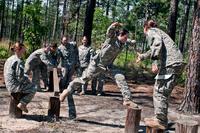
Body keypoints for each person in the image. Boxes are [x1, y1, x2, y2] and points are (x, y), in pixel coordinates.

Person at [60, 22, 138, 109]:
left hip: (107, 67)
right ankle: (67, 90)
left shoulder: (122, 42)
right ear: (120, 35)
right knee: (84, 79)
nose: (126, 39)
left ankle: (127, 100)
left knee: (120, 77)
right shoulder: (112, 39)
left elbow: (130, 41)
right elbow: (110, 31)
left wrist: (134, 44)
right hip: (96, 65)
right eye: (125, 37)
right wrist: (114, 25)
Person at [136, 20, 184, 129]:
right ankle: (160, 118)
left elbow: (156, 44)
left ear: (145, 28)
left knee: (159, 91)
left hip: (170, 64)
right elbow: (154, 48)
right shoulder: (159, 32)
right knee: (162, 92)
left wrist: (154, 62)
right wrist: (142, 56)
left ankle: (161, 121)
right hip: (176, 63)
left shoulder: (152, 31)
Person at [4, 42, 36, 113]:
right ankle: (23, 104)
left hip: (8, 84)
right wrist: (28, 80)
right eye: (23, 49)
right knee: (34, 88)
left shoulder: (10, 59)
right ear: (19, 50)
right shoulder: (19, 61)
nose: (24, 51)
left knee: (27, 80)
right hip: (14, 86)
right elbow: (20, 78)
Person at [57, 35, 79, 119]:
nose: (66, 41)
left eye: (67, 40)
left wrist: (76, 61)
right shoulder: (60, 48)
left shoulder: (72, 45)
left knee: (69, 78)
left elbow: (76, 51)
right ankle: (62, 89)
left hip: (72, 64)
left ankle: (68, 90)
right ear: (62, 41)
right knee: (64, 77)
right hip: (64, 65)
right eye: (64, 40)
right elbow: (58, 57)